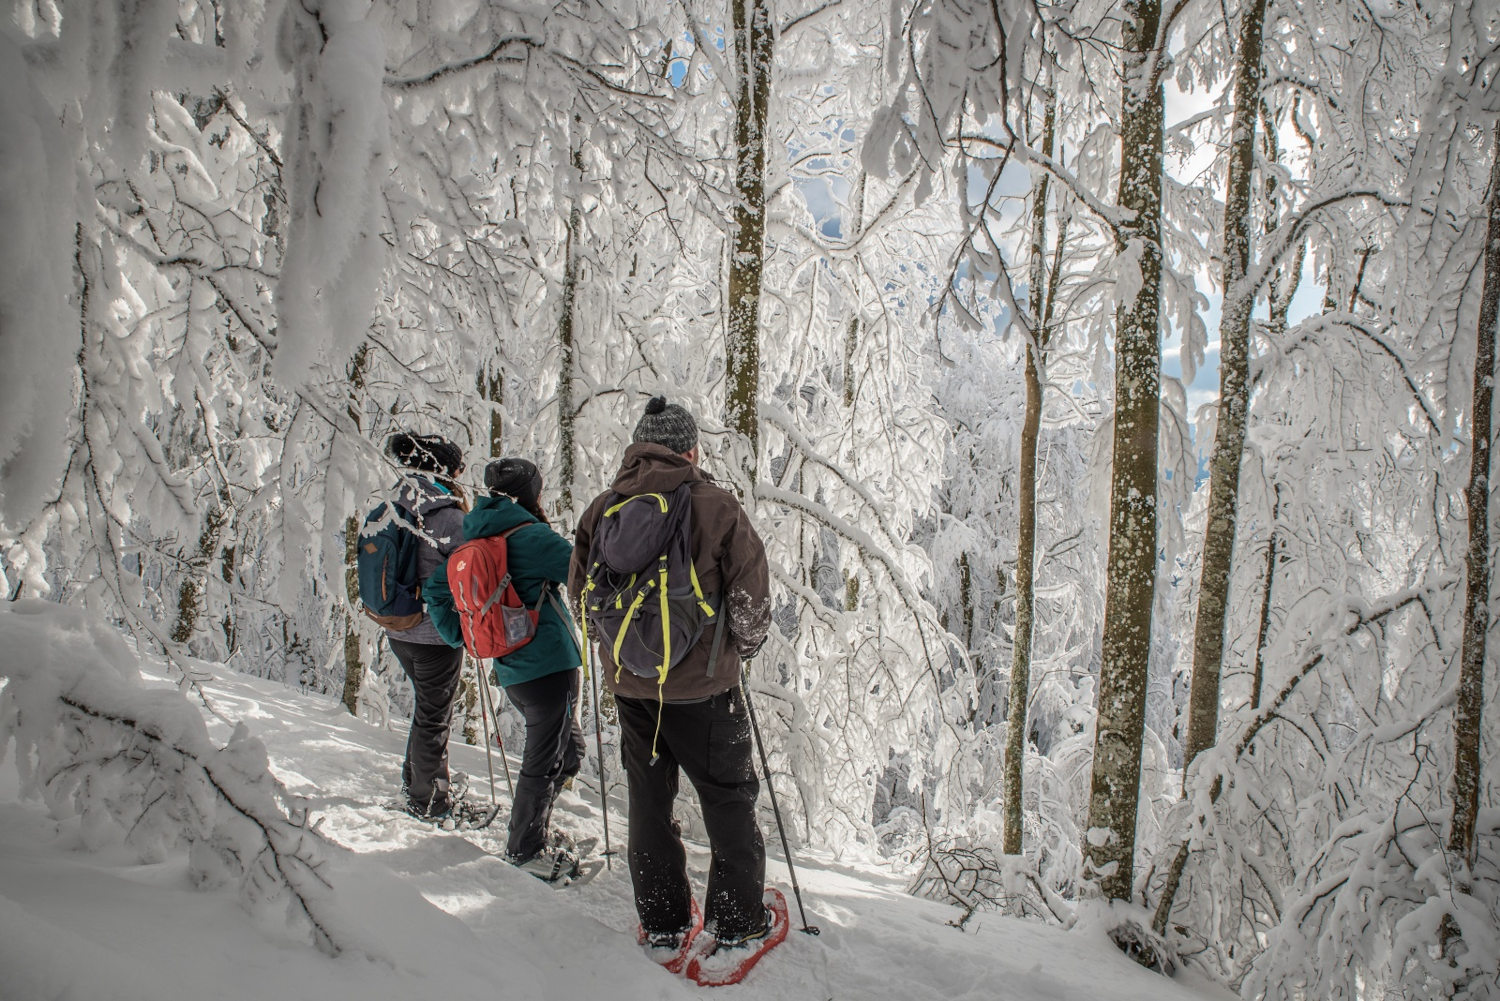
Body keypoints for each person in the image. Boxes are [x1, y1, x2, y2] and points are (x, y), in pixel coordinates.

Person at [569, 397, 772, 964]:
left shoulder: (601, 510)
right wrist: (739, 651)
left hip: (633, 691)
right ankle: (736, 925)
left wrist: (619, 658)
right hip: (707, 692)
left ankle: (663, 924)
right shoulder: (716, 506)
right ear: (691, 450)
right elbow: (752, 602)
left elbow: (582, 603)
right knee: (729, 801)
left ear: (637, 448)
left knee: (649, 801)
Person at [426, 457, 587, 880]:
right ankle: (525, 849)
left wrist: (460, 632)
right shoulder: (532, 537)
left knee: (567, 752)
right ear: (530, 493)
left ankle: (534, 831)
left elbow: (437, 587)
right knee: (547, 758)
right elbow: (586, 575)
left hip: (512, 669)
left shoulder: (473, 534)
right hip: (549, 666)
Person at [380, 432, 469, 821]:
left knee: (426, 710)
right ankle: (429, 801)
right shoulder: (447, 516)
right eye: (456, 469)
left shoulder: (393, 506)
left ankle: (417, 785)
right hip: (435, 634)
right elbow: (471, 567)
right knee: (435, 717)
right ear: (444, 470)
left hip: (398, 628)